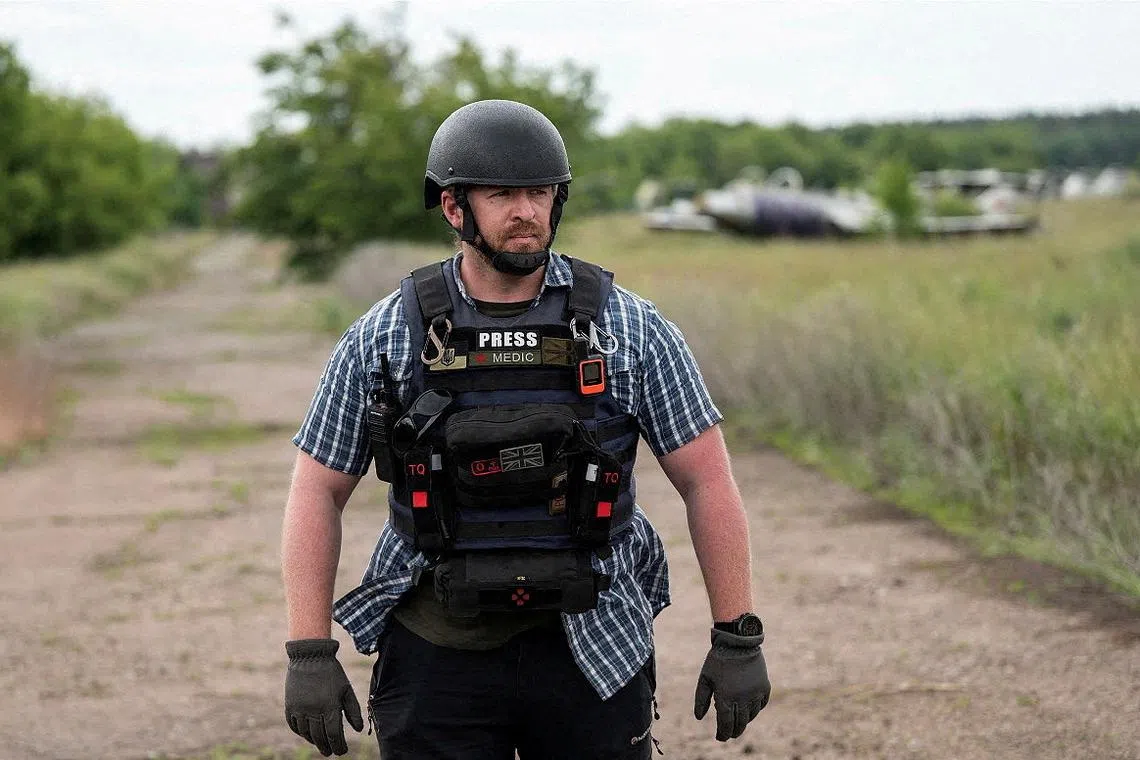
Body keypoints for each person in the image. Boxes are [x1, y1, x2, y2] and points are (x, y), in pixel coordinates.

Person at [281, 99, 771, 759]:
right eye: (503, 193)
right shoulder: (387, 333)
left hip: (595, 643)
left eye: (540, 192)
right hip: (436, 646)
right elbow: (316, 489)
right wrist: (309, 651)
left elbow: (706, 480)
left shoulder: (629, 326)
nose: (526, 211)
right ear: (455, 208)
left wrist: (736, 635)